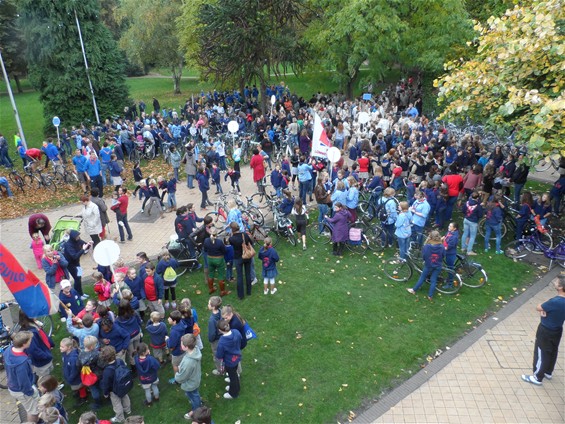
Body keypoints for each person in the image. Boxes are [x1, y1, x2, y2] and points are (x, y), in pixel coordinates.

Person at [521, 275, 565, 386]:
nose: (554, 282)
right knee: (553, 350)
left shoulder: (555, 301)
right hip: (558, 330)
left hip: (545, 331)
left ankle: (537, 377)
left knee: (541, 352)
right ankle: (548, 372)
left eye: (556, 281)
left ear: (560, 287)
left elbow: (539, 307)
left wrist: (544, 311)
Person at [5, 331, 40, 423]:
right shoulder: (22, 363)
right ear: (24, 344)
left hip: (12, 385)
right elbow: (24, 382)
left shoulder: (8, 350)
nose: (30, 342)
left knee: (30, 408)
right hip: (21, 391)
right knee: (32, 411)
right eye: (29, 341)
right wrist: (31, 392)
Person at [407, 231, 445, 300]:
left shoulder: (427, 246)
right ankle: (430, 296)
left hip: (428, 265)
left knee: (422, 277)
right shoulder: (442, 246)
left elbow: (424, 256)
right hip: (438, 265)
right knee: (433, 280)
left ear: (430, 237)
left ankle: (414, 290)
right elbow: (443, 255)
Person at [100, 345, 132, 423]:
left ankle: (120, 417)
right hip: (123, 385)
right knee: (125, 396)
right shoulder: (119, 361)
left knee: (117, 404)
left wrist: (106, 393)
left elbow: (106, 384)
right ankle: (128, 410)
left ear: (104, 358)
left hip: (114, 390)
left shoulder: (107, 371)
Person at [175, 334, 203, 420]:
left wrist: (177, 375)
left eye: (181, 344)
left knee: (192, 395)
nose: (180, 345)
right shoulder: (196, 349)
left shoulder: (188, 362)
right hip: (195, 378)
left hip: (190, 384)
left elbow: (182, 377)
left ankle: (196, 410)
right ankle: (197, 401)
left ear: (186, 347)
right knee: (194, 393)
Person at [216, 319, 242, 399]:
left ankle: (233, 393)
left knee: (233, 376)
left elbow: (219, 355)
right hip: (237, 357)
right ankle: (235, 386)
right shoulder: (236, 332)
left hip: (229, 362)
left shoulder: (222, 341)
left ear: (220, 330)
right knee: (234, 374)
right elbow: (240, 338)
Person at [228, 222, 254, 300]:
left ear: (232, 229)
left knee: (239, 276)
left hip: (238, 258)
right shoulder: (244, 235)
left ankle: (241, 295)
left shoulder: (231, 238)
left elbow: (231, 244)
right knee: (248, 273)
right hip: (247, 256)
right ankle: (249, 291)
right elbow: (251, 242)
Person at [63, 230, 92, 299]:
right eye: (77, 237)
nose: (78, 238)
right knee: (77, 279)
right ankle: (78, 294)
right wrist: (83, 250)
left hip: (77, 263)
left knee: (79, 277)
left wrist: (89, 244)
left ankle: (81, 293)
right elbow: (74, 256)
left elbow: (85, 245)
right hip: (71, 265)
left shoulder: (78, 240)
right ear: (73, 237)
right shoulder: (68, 245)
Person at [203, 228, 229, 296]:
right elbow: (224, 251)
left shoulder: (206, 241)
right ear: (216, 234)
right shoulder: (219, 242)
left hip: (210, 259)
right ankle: (222, 291)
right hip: (219, 260)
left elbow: (205, 250)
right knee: (221, 275)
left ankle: (211, 289)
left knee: (210, 274)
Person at [135, 342, 161, 407]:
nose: (149, 350)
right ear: (144, 353)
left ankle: (149, 402)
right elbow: (157, 365)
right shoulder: (150, 359)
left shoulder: (136, 359)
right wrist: (149, 355)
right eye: (147, 349)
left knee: (147, 390)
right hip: (153, 377)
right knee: (155, 387)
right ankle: (156, 398)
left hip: (144, 379)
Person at [460, 191, 484, 256]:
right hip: (473, 222)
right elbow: (480, 215)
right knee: (472, 236)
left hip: (466, 219)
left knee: (465, 233)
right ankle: (469, 251)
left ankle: (463, 248)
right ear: (477, 198)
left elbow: (463, 210)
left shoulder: (467, 202)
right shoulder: (478, 206)